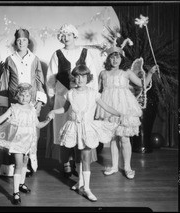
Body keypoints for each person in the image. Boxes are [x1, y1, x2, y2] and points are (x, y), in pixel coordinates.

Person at [47, 64, 124, 202]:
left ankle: (87, 188)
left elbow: (105, 106)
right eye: (77, 76)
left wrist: (118, 113)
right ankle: (80, 182)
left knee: (85, 157)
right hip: (74, 127)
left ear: (87, 78)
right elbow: (64, 109)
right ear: (74, 78)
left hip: (87, 128)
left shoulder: (93, 93)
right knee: (77, 156)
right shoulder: (70, 93)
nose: (80, 79)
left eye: (83, 76)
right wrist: (53, 111)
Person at [95, 42, 158, 179]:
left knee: (124, 138)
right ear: (108, 59)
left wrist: (150, 73)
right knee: (113, 138)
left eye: (117, 57)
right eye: (112, 57)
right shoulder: (103, 73)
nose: (115, 60)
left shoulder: (126, 72)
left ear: (122, 59)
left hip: (125, 106)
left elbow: (143, 84)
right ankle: (114, 166)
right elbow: (97, 91)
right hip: (108, 108)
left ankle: (128, 167)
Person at [0, 28, 47, 177]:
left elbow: (40, 82)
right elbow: (4, 83)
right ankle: (10, 167)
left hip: (31, 102)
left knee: (30, 132)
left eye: (24, 40)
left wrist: (40, 103)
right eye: (18, 40)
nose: (21, 42)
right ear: (15, 42)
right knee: (13, 133)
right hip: (13, 102)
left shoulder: (35, 59)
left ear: (28, 42)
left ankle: (26, 166)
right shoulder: (10, 59)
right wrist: (3, 105)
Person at [46, 23, 98, 178]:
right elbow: (50, 78)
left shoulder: (85, 53)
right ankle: (66, 162)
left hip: (82, 98)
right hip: (62, 97)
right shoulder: (57, 54)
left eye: (68, 34)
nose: (65, 37)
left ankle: (79, 162)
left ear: (74, 35)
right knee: (65, 130)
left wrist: (92, 98)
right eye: (62, 35)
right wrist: (50, 97)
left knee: (81, 129)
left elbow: (92, 77)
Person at [0, 83, 51, 205]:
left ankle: (21, 184)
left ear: (30, 97)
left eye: (27, 96)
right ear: (17, 96)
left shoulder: (32, 109)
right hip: (18, 141)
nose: (24, 98)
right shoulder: (14, 108)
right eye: (22, 95)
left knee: (25, 163)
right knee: (18, 165)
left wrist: (48, 119)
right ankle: (15, 192)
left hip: (29, 141)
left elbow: (38, 125)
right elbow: (1, 118)